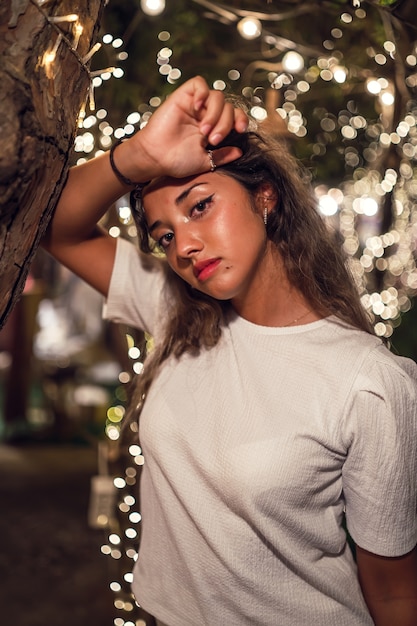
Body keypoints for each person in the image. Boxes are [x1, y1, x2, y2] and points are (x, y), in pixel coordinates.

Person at [42, 76, 417, 626]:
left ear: (264, 195)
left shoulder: (367, 382)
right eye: (165, 236)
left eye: (200, 207)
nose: (186, 245)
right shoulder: (178, 314)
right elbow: (56, 227)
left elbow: (394, 592)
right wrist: (138, 155)